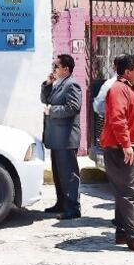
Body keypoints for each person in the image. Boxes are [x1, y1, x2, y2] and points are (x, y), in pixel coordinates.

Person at [99, 55, 134, 253]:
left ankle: (123, 232)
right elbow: (117, 118)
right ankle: (132, 236)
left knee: (131, 193)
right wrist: (126, 145)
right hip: (122, 148)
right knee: (129, 193)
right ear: (127, 72)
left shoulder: (130, 88)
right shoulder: (118, 88)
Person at [41, 54, 82, 220]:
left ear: (66, 68)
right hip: (56, 138)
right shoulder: (59, 84)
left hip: (66, 138)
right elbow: (44, 99)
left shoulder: (72, 85)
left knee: (69, 175)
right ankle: (61, 202)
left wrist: (52, 111)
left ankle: (73, 207)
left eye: (56, 67)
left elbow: (73, 108)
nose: (53, 69)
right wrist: (47, 85)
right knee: (59, 174)